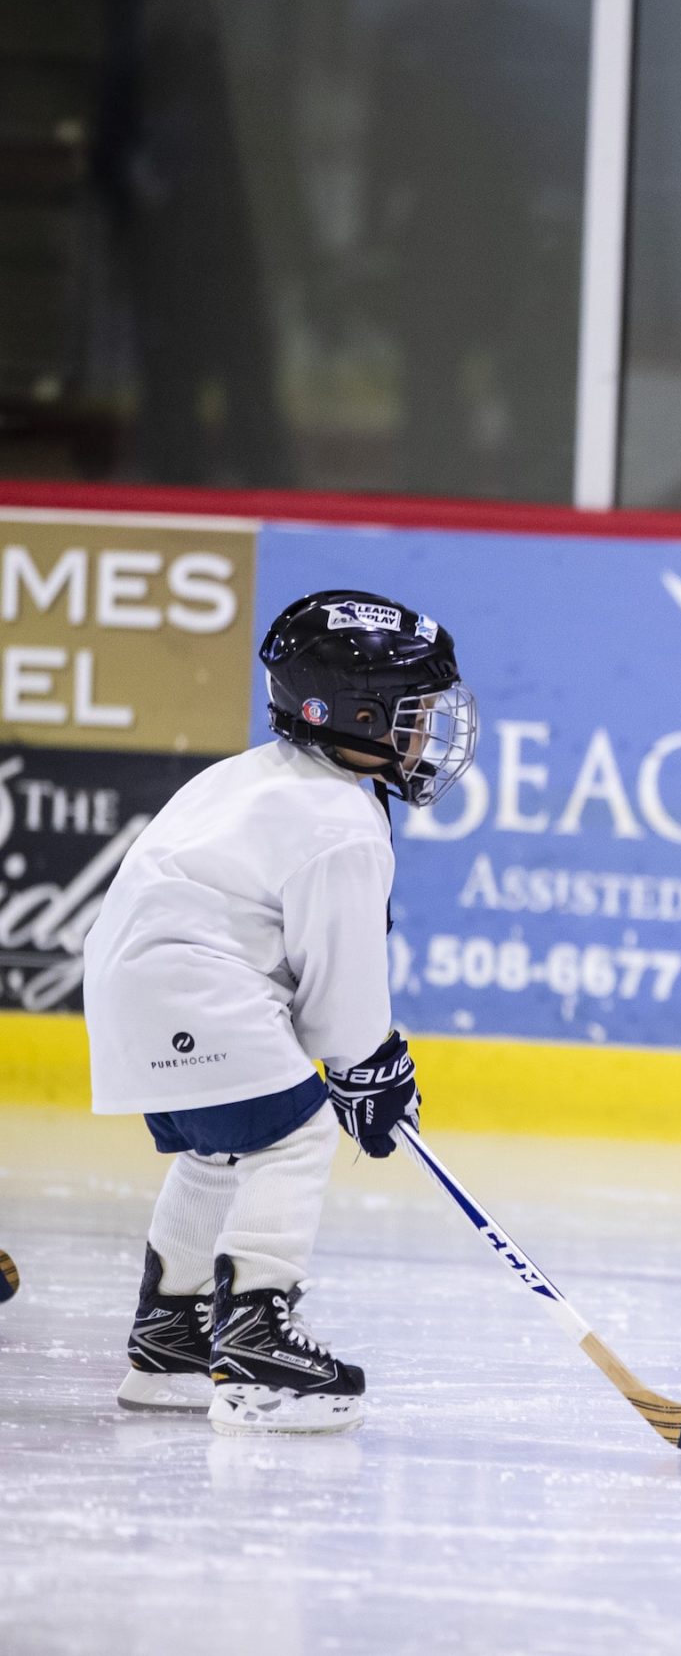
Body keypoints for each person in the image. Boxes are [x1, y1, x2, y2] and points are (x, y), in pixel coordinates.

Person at [86, 590, 476, 1434]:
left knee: (225, 1146)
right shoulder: (341, 820)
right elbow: (339, 981)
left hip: (135, 990)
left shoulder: (261, 776)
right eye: (413, 713)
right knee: (293, 1134)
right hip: (191, 986)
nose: (427, 734)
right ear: (357, 713)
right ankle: (257, 1333)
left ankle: (171, 1334)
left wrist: (359, 1060)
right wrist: (369, 1064)